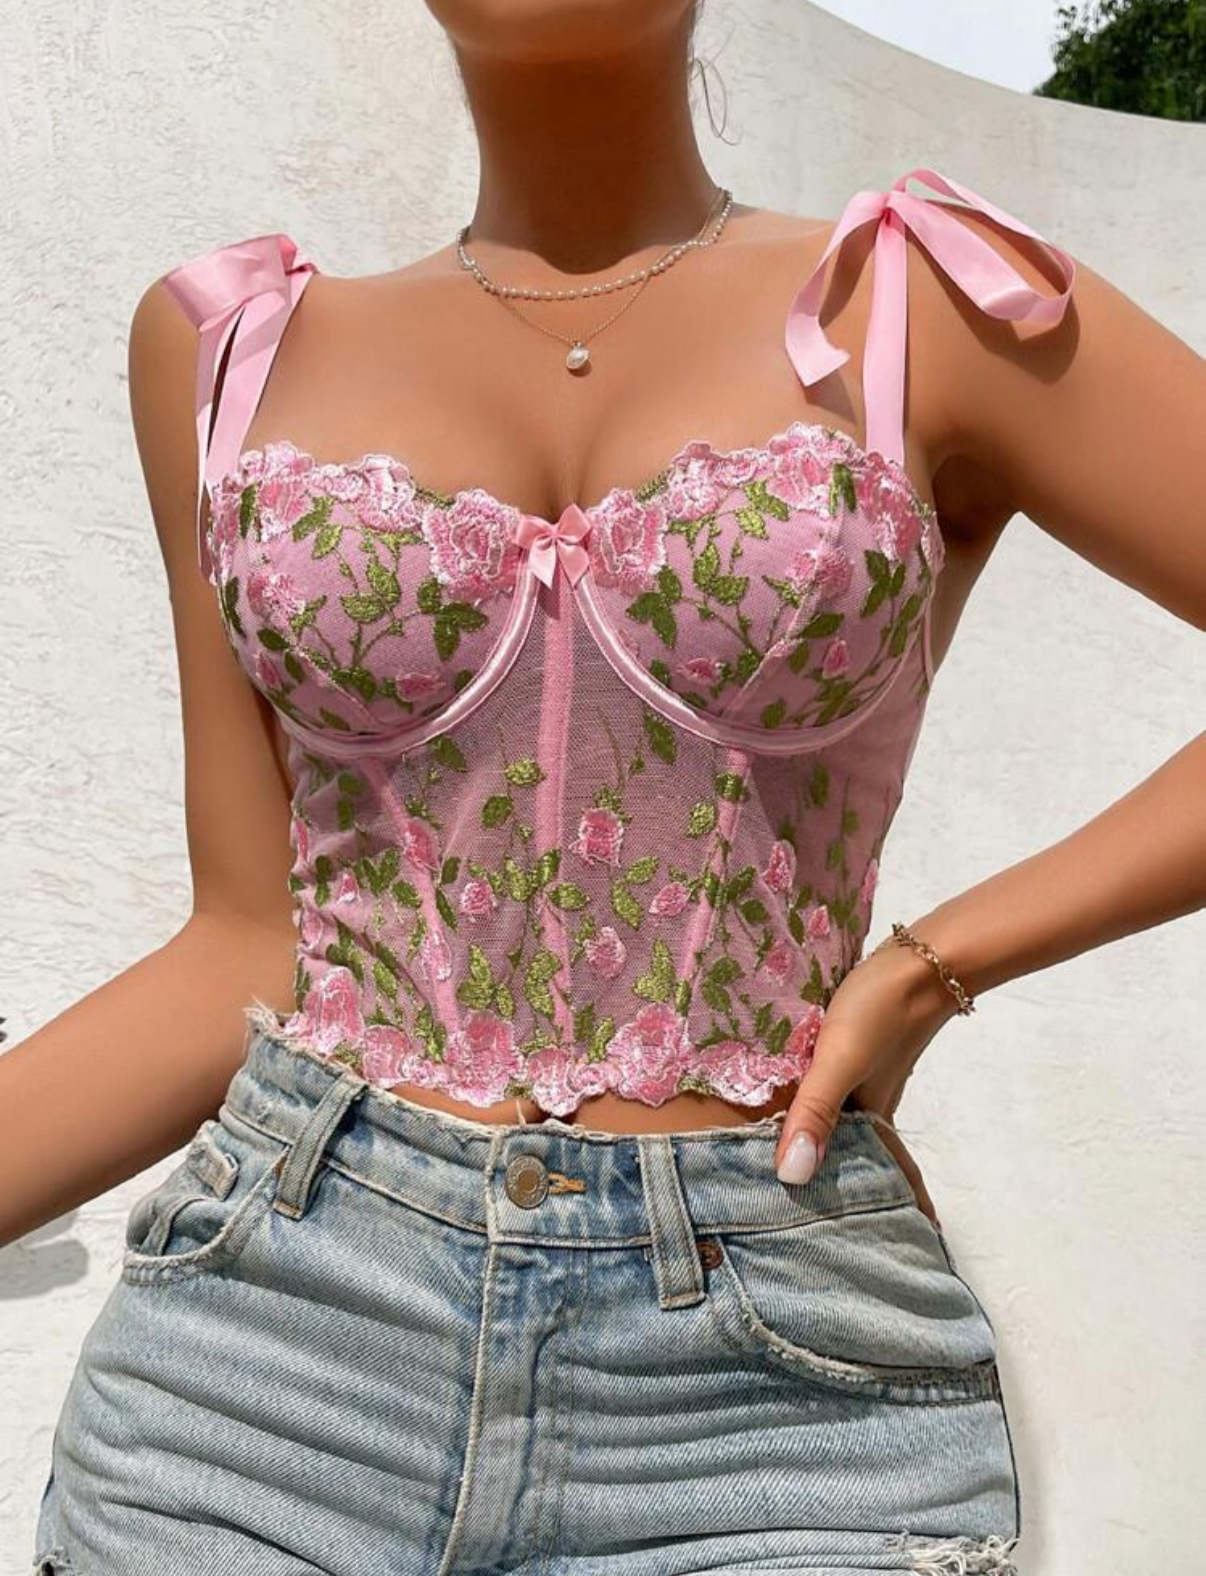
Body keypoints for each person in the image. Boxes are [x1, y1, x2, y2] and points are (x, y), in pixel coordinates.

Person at [11, 2, 1205, 1572]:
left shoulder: (928, 302)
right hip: (267, 1360)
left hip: (771, 1391)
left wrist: (933, 965)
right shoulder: (233, 350)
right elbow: (245, 942)